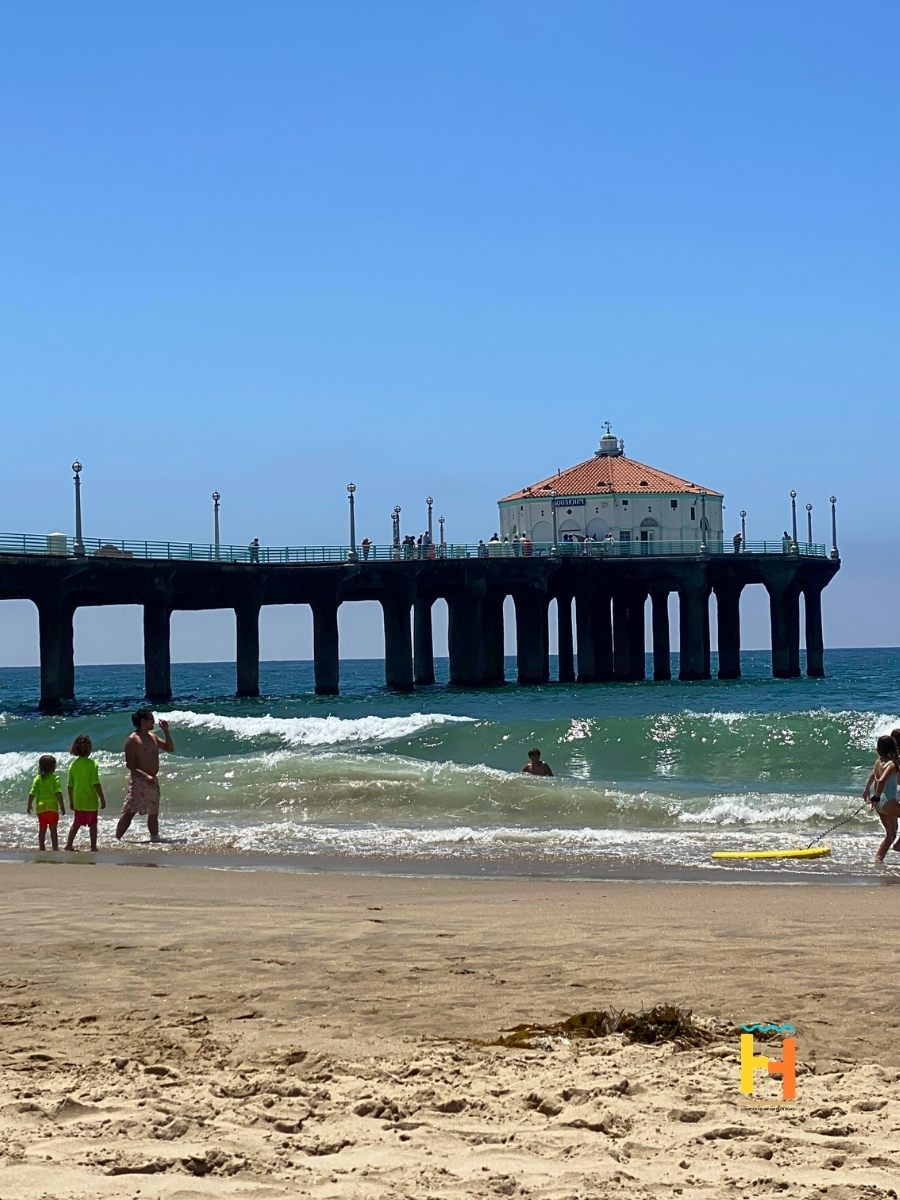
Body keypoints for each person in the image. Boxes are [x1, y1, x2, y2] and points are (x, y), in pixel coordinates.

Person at [116, 709, 174, 844]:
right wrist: (145, 776)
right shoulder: (133, 740)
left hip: (152, 779)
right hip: (139, 781)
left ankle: (155, 839)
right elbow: (130, 765)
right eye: (151, 719)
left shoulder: (152, 736)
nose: (153, 722)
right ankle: (117, 839)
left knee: (154, 812)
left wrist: (166, 730)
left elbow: (169, 748)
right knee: (130, 811)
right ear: (143, 722)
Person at [863, 735, 900, 862]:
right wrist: (877, 796)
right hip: (888, 802)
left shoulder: (878, 761)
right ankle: (898, 845)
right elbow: (882, 780)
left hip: (880, 805)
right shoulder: (892, 764)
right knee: (892, 834)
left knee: (891, 835)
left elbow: (874, 775)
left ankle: (878, 861)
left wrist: (867, 789)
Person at [65, 735, 106, 852]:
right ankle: (93, 846)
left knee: (76, 823)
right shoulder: (92, 764)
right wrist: (102, 798)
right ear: (89, 749)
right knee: (93, 824)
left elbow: (70, 785)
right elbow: (95, 783)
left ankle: (69, 844)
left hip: (78, 799)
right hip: (90, 799)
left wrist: (71, 800)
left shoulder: (73, 765)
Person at [27, 754, 65, 851]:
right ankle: (55, 848)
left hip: (41, 809)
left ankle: (42, 847)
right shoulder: (55, 778)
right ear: (53, 767)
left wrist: (29, 804)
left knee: (42, 829)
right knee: (53, 830)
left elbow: (32, 793)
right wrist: (62, 806)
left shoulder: (37, 779)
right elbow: (58, 793)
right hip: (52, 808)